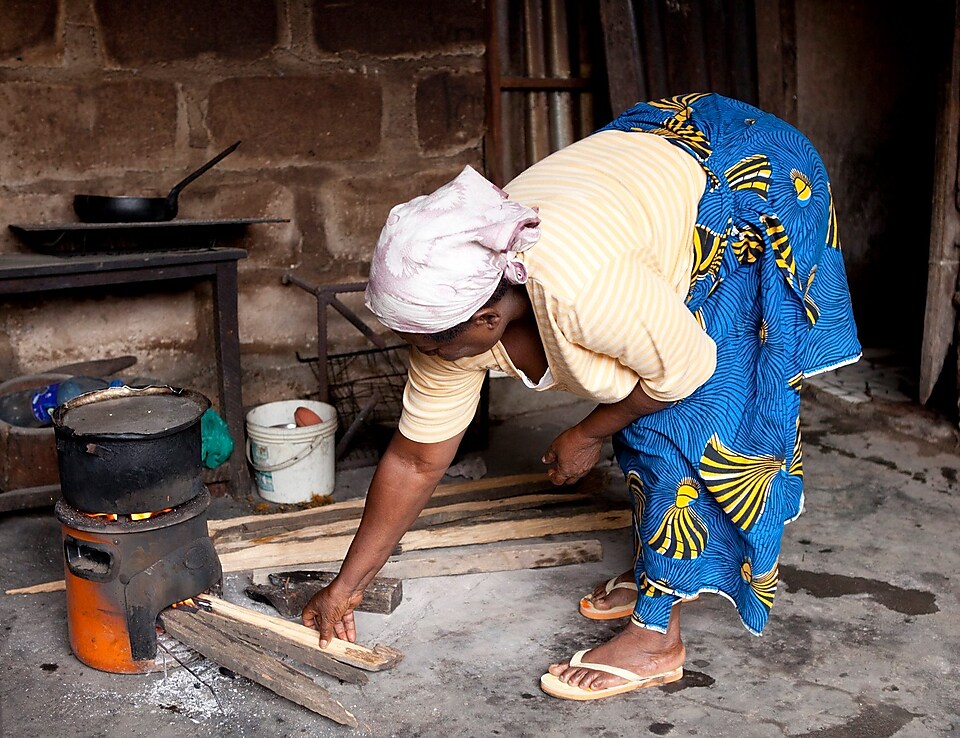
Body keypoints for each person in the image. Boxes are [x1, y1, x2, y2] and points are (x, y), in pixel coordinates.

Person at [302, 92, 861, 701]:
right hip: (656, 159)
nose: (422, 353)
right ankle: (664, 574)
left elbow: (688, 370)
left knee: (678, 423)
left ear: (486, 320)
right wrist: (347, 585)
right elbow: (415, 460)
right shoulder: (449, 317)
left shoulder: (582, 290)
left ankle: (657, 638)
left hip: (748, 176)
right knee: (638, 397)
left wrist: (588, 432)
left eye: (430, 343)